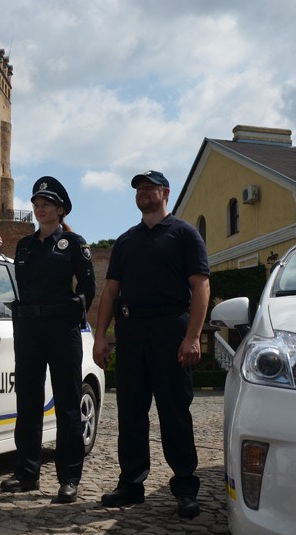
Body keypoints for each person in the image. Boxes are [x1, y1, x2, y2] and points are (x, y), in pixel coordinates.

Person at [92, 170, 210, 518]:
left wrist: (192, 336)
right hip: (131, 331)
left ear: (165, 192)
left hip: (170, 330)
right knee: (130, 412)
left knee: (174, 411)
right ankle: (131, 483)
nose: (143, 193)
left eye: (149, 187)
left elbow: (201, 286)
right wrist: (101, 336)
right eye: (139, 189)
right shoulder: (126, 241)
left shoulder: (185, 234)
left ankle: (186, 487)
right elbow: (111, 291)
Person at [1, 176, 96, 503]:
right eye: (36, 205)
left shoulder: (74, 244)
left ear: (60, 209)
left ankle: (69, 477)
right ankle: (26, 473)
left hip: (61, 330)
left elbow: (88, 289)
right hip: (29, 330)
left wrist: (75, 312)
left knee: (68, 406)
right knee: (27, 403)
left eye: (46, 205)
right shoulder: (24, 247)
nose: (39, 210)